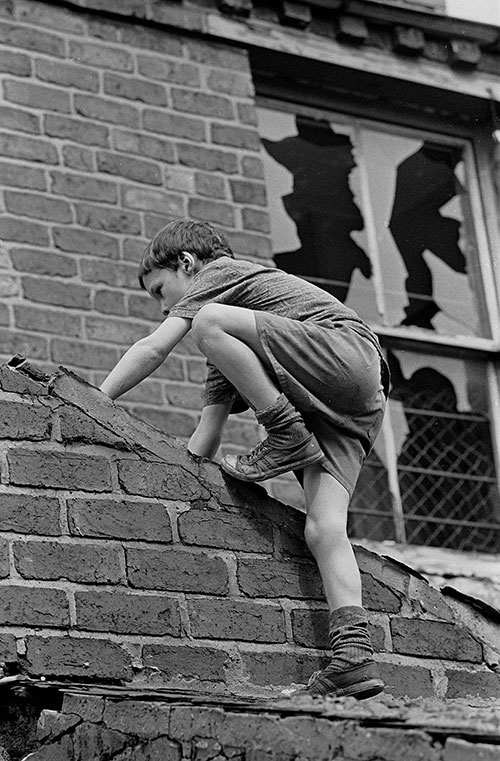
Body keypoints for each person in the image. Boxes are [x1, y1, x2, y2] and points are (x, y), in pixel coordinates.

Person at [100, 219, 390, 699]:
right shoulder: (230, 347)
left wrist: (96, 400)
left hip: (347, 351)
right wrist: (179, 489)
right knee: (323, 528)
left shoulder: (218, 282)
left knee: (208, 320)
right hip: (352, 403)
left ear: (188, 265)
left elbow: (154, 348)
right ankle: (353, 657)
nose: (165, 305)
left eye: (160, 290)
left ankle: (284, 433)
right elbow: (206, 436)